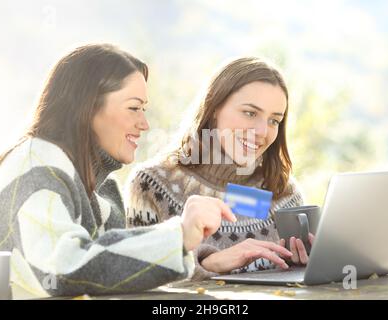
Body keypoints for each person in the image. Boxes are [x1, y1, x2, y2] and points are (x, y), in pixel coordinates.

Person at [0, 44, 236, 299]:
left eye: (144, 109)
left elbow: (112, 275)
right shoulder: (36, 167)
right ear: (88, 107)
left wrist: (197, 253)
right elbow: (64, 269)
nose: (144, 124)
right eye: (133, 108)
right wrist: (179, 235)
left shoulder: (100, 187)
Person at [126, 56, 312, 281]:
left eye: (274, 120)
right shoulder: (151, 184)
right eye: (250, 113)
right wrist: (209, 263)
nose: (262, 131)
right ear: (214, 108)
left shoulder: (284, 193)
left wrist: (306, 264)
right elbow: (134, 277)